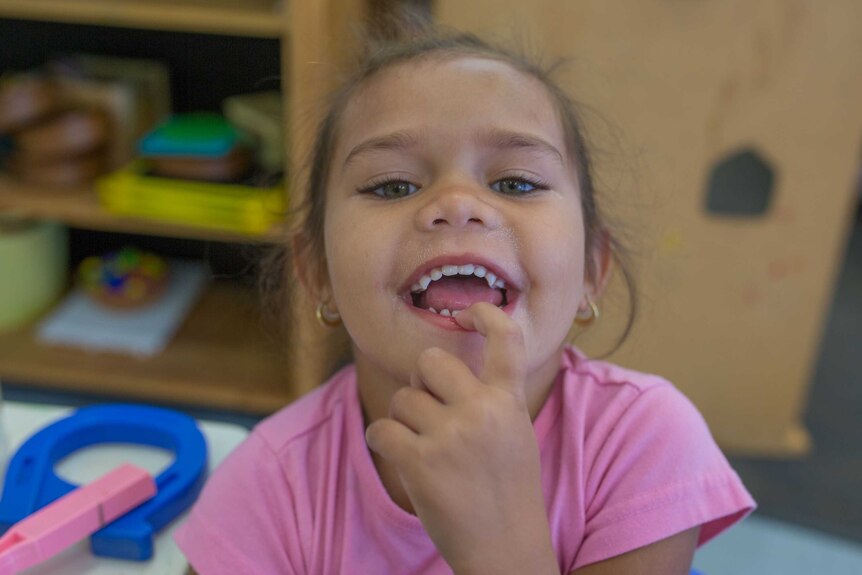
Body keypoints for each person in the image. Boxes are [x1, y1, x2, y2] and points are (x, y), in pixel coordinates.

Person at [175, 21, 755, 575]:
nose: (457, 202)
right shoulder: (269, 484)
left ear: (590, 271)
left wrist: (500, 547)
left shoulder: (644, 441)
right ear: (318, 273)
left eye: (517, 182)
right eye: (393, 185)